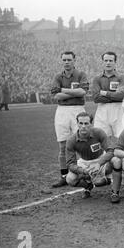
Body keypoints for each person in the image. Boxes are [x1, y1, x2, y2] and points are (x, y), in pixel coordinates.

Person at [50, 51, 89, 188]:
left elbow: (82, 92)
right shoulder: (57, 76)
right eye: (64, 60)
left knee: (83, 143)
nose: (66, 62)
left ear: (74, 60)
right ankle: (64, 176)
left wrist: (63, 90)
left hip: (78, 110)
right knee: (62, 146)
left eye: (69, 59)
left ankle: (84, 173)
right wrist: (73, 92)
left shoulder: (81, 75)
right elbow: (56, 96)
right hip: (62, 111)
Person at [65, 112, 115, 199]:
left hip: (100, 160)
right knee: (70, 179)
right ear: (77, 123)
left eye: (86, 123)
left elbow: (110, 151)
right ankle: (88, 185)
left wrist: (99, 163)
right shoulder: (71, 140)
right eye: (81, 123)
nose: (83, 126)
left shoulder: (99, 133)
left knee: (116, 161)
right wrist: (82, 171)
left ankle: (111, 182)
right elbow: (70, 164)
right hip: (84, 163)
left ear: (91, 124)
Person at [91, 51, 124, 142]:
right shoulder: (97, 78)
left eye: (111, 60)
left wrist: (104, 93)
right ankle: (105, 156)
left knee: (121, 139)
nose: (108, 63)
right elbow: (96, 98)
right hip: (102, 110)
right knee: (101, 139)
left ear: (115, 62)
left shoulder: (121, 77)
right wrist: (114, 96)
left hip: (118, 110)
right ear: (102, 62)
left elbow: (121, 96)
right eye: (106, 60)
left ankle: (120, 156)